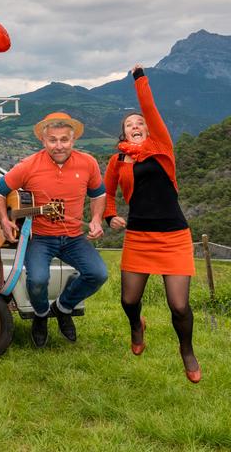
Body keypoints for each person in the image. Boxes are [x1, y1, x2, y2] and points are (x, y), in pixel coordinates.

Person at [104, 65, 200, 383]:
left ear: (148, 130)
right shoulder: (118, 161)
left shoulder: (162, 150)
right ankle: (137, 325)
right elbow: (108, 193)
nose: (135, 125)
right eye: (129, 124)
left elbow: (149, 107)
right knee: (128, 300)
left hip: (174, 236)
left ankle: (186, 349)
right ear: (124, 133)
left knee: (179, 305)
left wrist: (139, 77)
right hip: (139, 235)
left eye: (139, 123)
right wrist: (109, 214)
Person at [0, 112, 107, 347]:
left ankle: (63, 307)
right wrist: (4, 219)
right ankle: (41, 315)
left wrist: (96, 218)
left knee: (98, 274)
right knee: (37, 281)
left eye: (64, 139)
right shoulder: (29, 165)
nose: (59, 145)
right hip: (40, 238)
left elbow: (99, 194)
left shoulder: (88, 163)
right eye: (52, 140)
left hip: (74, 237)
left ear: (73, 140)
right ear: (43, 141)